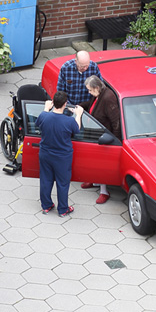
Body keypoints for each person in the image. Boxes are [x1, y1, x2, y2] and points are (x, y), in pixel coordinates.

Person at [36, 90, 83, 217]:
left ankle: (46, 206)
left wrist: (46, 108)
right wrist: (78, 115)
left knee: (46, 180)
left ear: (53, 103)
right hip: (62, 157)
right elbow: (77, 130)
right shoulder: (69, 121)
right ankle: (62, 209)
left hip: (45, 154)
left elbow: (39, 122)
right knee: (62, 183)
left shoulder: (44, 116)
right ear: (65, 104)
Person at [83, 75, 120, 204]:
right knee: (93, 161)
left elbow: (115, 121)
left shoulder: (108, 98)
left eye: (90, 90)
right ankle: (94, 181)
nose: (89, 93)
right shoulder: (99, 94)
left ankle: (104, 191)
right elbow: (92, 105)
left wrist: (115, 140)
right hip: (95, 134)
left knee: (101, 164)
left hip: (104, 137)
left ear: (97, 87)